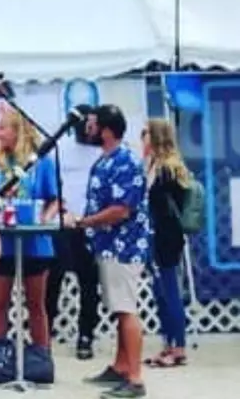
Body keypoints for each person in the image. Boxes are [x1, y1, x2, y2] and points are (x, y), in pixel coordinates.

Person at [67, 104, 150, 399]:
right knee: (119, 308)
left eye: (90, 124)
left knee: (126, 309)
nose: (85, 128)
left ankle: (135, 379)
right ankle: (120, 366)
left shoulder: (125, 161)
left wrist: (85, 221)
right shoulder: (107, 159)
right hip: (108, 245)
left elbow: (121, 210)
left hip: (123, 247)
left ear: (105, 129)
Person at [0, 108, 59, 350]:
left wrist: (45, 219)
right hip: (1, 244)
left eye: (3, 127)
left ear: (19, 131)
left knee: (36, 305)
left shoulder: (42, 162)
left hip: (35, 243)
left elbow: (54, 199)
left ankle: (41, 359)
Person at [46, 102, 101, 359]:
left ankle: (86, 336)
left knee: (89, 283)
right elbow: (52, 186)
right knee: (52, 280)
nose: (89, 129)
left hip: (91, 224)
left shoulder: (103, 151)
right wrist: (62, 211)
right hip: (64, 223)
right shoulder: (60, 149)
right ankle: (44, 336)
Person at [141, 119, 189, 368]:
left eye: (146, 133)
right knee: (160, 292)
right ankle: (168, 344)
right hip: (156, 235)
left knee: (170, 291)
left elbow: (166, 207)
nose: (142, 138)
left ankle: (178, 346)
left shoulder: (168, 169)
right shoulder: (153, 166)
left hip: (166, 238)